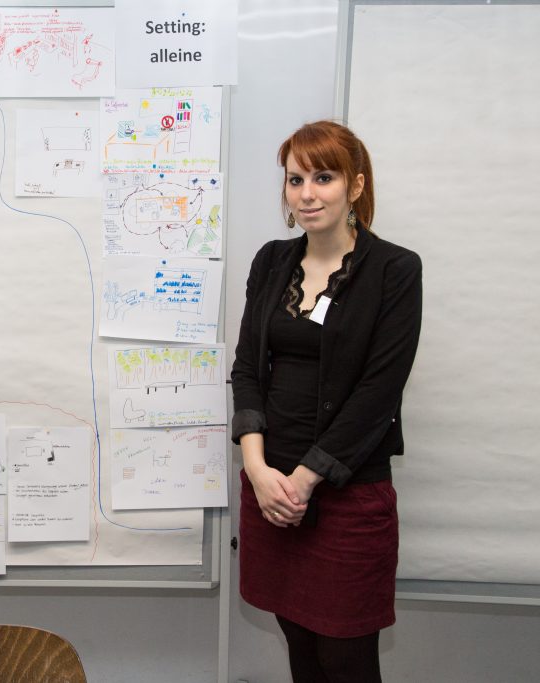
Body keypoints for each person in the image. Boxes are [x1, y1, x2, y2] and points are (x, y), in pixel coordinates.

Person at [231, 120, 422, 683]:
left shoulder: (394, 270)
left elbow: (379, 392)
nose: (307, 194)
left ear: (355, 186)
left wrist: (305, 479)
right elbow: (247, 370)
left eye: (323, 178)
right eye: (295, 180)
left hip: (345, 492)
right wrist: (257, 469)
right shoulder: (271, 261)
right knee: (299, 643)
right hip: (270, 489)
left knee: (346, 657)